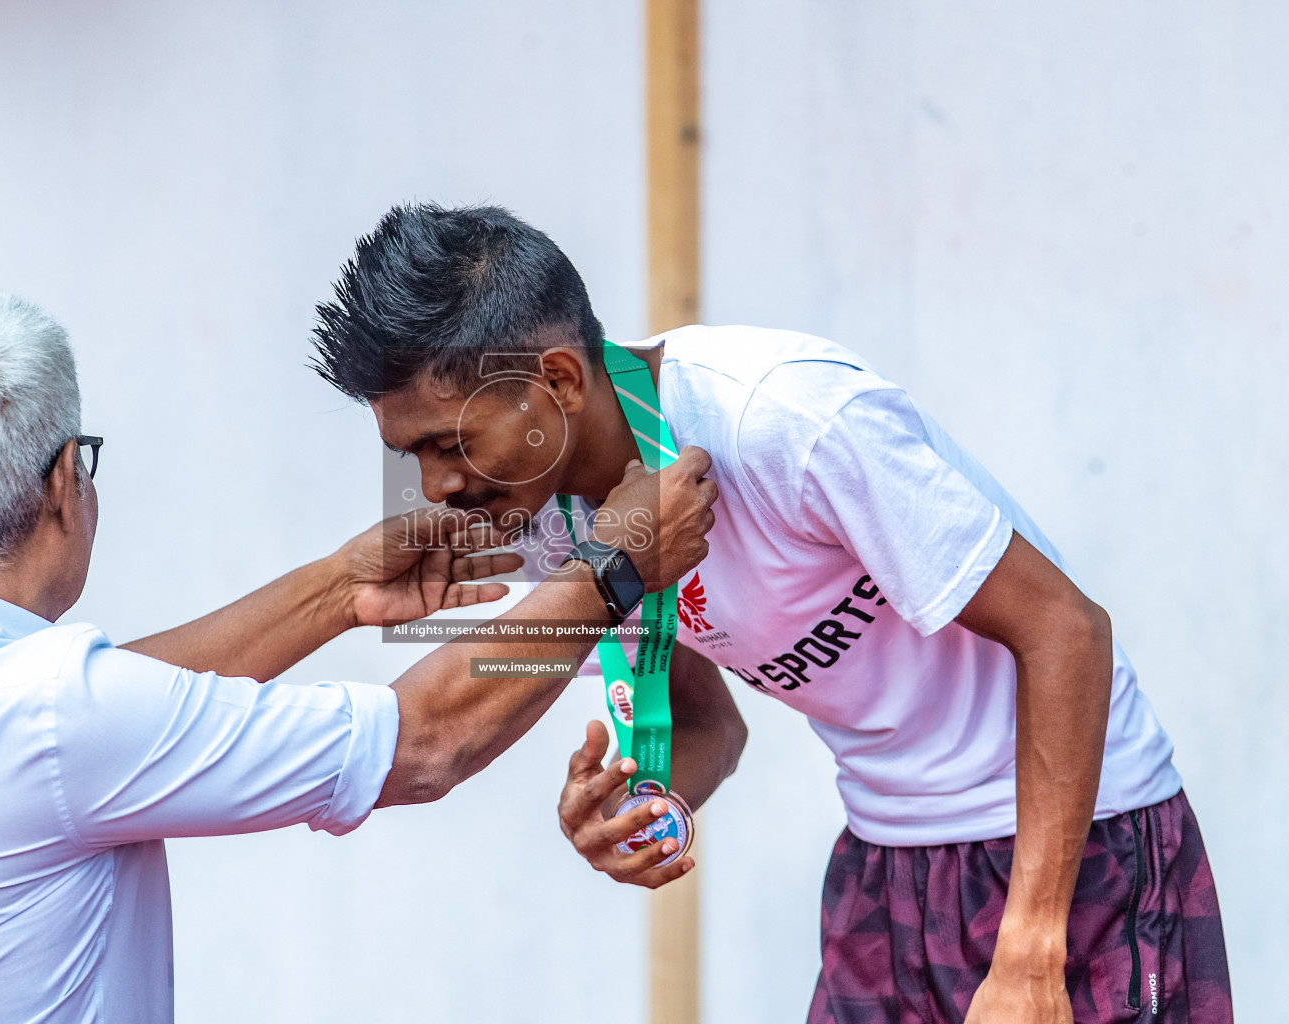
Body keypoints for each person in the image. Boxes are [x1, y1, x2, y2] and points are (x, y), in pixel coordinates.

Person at [310, 203, 1233, 1024]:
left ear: (557, 383)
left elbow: (1070, 630)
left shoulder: (785, 417)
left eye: (451, 443)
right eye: (410, 453)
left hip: (1077, 852)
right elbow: (712, 720)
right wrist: (655, 799)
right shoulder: (554, 516)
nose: (436, 487)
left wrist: (1033, 951)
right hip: (885, 856)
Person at [0, 290, 717, 1023]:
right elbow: (424, 744)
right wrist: (613, 565)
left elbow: (79, 719)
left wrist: (338, 592)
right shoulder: (60, 723)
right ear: (65, 484)